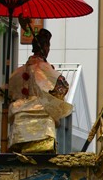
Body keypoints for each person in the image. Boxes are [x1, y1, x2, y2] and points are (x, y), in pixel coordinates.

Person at [5, 25, 72, 153]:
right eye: (48, 46)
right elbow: (63, 85)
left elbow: (8, 92)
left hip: (20, 114)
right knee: (48, 109)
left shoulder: (19, 71)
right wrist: (52, 99)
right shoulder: (44, 68)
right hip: (41, 114)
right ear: (45, 47)